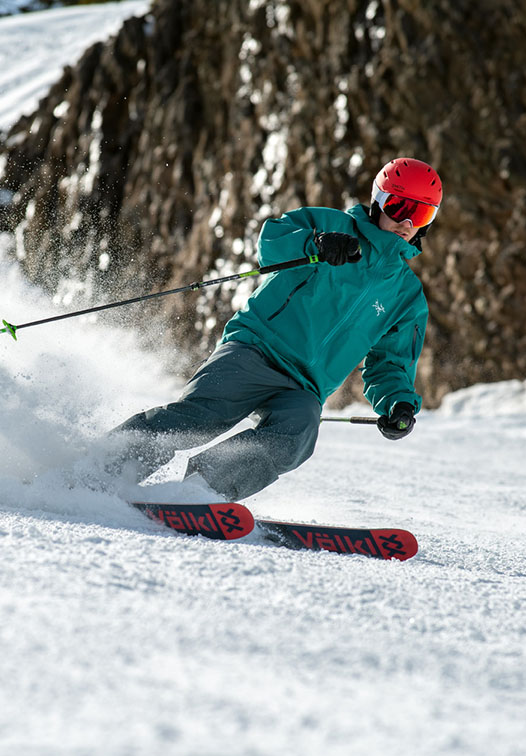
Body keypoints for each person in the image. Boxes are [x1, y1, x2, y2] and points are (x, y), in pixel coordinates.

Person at [104, 157, 441, 501]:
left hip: (305, 386)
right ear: (379, 201)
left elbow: (391, 363)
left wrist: (397, 403)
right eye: (399, 206)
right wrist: (316, 243)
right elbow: (272, 241)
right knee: (199, 417)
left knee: (297, 435)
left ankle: (201, 491)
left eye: (422, 214)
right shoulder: (331, 224)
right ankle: (102, 468)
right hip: (256, 349)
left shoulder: (406, 295)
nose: (407, 222)